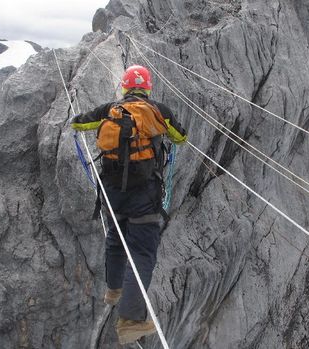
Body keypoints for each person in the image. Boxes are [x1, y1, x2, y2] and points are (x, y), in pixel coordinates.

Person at [71, 65, 187, 344]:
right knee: (142, 253)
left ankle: (113, 290)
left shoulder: (110, 109)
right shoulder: (159, 110)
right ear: (147, 88)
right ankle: (131, 321)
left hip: (112, 191)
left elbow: (79, 123)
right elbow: (180, 137)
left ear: (125, 87)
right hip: (144, 195)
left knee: (115, 237)